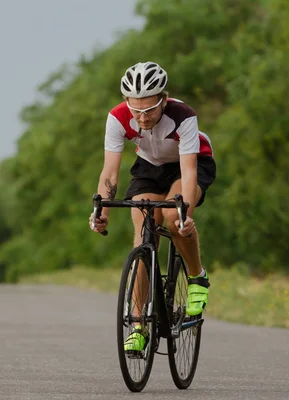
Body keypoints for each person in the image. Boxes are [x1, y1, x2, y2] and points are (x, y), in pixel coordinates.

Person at [89, 61, 216, 352]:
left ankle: (197, 277)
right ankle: (137, 325)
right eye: (136, 109)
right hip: (149, 165)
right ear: (126, 102)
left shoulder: (182, 116)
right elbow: (109, 173)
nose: (142, 117)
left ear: (163, 99)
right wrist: (101, 213)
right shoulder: (118, 118)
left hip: (190, 164)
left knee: (172, 216)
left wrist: (186, 217)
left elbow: (189, 170)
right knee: (144, 234)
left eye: (149, 110)